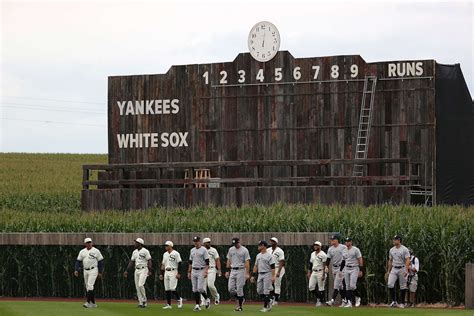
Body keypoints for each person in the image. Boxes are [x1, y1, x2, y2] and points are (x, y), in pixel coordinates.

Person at [74, 237, 104, 308]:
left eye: (90, 242)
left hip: (93, 269)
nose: (89, 244)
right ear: (85, 244)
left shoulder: (96, 251)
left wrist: (100, 272)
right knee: (88, 287)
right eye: (87, 242)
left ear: (92, 243)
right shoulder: (82, 251)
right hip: (85, 270)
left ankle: (87, 302)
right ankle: (93, 303)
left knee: (90, 285)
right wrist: (76, 269)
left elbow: (101, 261)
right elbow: (78, 261)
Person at [123, 238, 152, 308]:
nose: (134, 244)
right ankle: (141, 303)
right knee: (137, 287)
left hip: (144, 269)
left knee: (140, 285)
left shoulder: (145, 251)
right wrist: (127, 270)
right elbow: (132, 262)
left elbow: (149, 260)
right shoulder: (134, 252)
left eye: (136, 243)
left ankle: (144, 299)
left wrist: (150, 270)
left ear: (140, 244)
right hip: (137, 270)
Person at [225, 237, 251, 312]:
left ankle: (239, 306)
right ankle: (241, 298)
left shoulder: (244, 250)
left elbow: (247, 262)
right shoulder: (231, 249)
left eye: (236, 243)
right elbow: (229, 260)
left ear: (239, 242)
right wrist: (227, 270)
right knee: (231, 289)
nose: (235, 245)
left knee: (239, 288)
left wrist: (247, 273)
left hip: (241, 270)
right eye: (234, 244)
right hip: (233, 270)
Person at [251, 240, 276, 312]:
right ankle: (269, 300)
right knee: (259, 291)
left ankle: (265, 307)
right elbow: (256, 266)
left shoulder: (269, 255)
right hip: (260, 274)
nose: (259, 246)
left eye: (260, 245)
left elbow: (273, 267)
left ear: (264, 246)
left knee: (266, 292)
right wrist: (253, 275)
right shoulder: (258, 255)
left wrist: (273, 276)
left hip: (267, 273)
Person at [385, 234, 410, 308]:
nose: (394, 241)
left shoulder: (404, 249)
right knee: (390, 284)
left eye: (395, 239)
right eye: (393, 239)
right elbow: (390, 260)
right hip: (394, 268)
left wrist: (406, 269)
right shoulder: (392, 250)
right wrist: (388, 271)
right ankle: (394, 301)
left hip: (402, 268)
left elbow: (407, 259)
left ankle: (402, 303)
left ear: (399, 240)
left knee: (403, 286)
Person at [188, 236, 210, 311]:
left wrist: (206, 271)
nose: (195, 242)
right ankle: (197, 305)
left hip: (201, 269)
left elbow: (207, 261)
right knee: (194, 289)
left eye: (197, 241)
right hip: (194, 270)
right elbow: (190, 262)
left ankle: (207, 299)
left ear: (199, 241)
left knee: (200, 288)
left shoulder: (204, 250)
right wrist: (189, 272)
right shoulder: (192, 250)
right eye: (194, 241)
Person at [340, 237, 363, 308]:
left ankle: (358, 297)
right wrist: (341, 270)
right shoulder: (344, 250)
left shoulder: (356, 250)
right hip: (347, 268)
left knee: (352, 286)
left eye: (348, 241)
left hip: (354, 268)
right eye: (346, 241)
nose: (347, 242)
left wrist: (361, 270)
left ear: (351, 242)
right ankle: (349, 302)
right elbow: (343, 261)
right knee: (347, 286)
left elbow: (360, 259)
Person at [160, 240, 183, 309]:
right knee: (167, 289)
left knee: (172, 288)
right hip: (166, 271)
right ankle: (169, 304)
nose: (165, 247)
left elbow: (180, 263)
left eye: (167, 245)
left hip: (173, 271)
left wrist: (179, 273)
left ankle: (179, 299)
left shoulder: (176, 253)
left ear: (171, 246)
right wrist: (161, 273)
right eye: (165, 245)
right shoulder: (165, 254)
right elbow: (163, 264)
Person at [325, 234, 347, 307]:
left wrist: (341, 270)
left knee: (336, 284)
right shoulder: (330, 249)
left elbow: (345, 258)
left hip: (341, 268)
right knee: (340, 286)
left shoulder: (343, 247)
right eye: (331, 239)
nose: (331, 241)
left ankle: (332, 300)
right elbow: (328, 259)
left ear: (337, 240)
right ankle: (344, 300)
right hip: (334, 268)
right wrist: (326, 266)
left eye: (333, 239)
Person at [201, 237, 221, 305]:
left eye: (209, 242)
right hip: (203, 269)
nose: (209, 243)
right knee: (202, 286)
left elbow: (217, 260)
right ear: (204, 243)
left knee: (210, 285)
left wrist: (219, 270)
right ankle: (203, 300)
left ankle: (216, 296)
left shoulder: (214, 250)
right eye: (207, 242)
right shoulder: (201, 250)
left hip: (212, 269)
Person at [307, 241, 328, 307]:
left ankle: (320, 301)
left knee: (321, 287)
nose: (315, 246)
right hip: (314, 272)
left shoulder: (323, 254)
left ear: (320, 246)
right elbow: (310, 264)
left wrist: (324, 274)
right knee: (311, 287)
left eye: (317, 245)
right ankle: (320, 298)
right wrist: (309, 272)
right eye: (314, 245)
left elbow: (325, 265)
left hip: (321, 271)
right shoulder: (312, 254)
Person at [268, 237, 285, 305]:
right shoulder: (268, 250)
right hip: (271, 269)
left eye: (273, 241)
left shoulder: (280, 251)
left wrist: (278, 272)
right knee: (269, 284)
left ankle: (276, 300)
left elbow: (281, 262)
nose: (272, 242)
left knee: (277, 284)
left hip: (278, 268)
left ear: (276, 243)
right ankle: (273, 297)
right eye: (271, 241)